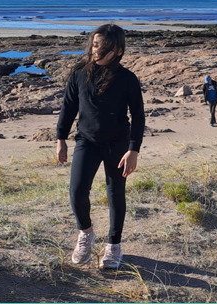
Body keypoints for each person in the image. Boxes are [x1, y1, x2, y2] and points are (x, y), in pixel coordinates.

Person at [56, 24, 145, 269]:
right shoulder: (79, 74)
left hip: (118, 144)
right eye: (94, 45)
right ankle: (86, 233)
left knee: (115, 193)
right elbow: (68, 107)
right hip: (87, 141)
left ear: (117, 50)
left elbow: (138, 116)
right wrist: (60, 138)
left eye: (103, 48)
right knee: (77, 192)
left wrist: (133, 149)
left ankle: (114, 245)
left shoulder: (127, 79)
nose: (97, 52)